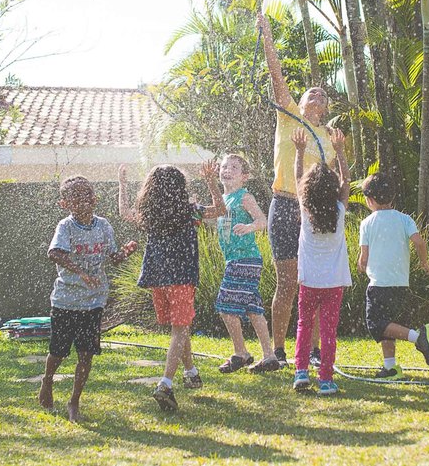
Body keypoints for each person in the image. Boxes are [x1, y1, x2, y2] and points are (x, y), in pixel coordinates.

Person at [256, 10, 332, 368]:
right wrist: (267, 36)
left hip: (314, 211)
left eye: (322, 96)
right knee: (286, 282)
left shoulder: (330, 137)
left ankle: (313, 351)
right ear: (300, 102)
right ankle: (278, 351)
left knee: (311, 282)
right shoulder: (288, 115)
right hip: (285, 205)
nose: (316, 96)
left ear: (326, 109)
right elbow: (276, 75)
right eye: (311, 93)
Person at [118, 163, 224, 411]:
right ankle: (165, 384)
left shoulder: (148, 214)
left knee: (180, 327)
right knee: (180, 328)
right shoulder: (190, 212)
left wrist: (122, 185)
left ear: (150, 189)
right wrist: (211, 181)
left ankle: (191, 372)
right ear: (180, 187)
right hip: (181, 277)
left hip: (158, 278)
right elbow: (221, 209)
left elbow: (124, 213)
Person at [40, 175, 137, 422]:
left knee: (86, 353)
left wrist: (124, 253)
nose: (83, 200)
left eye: (87, 195)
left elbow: (113, 258)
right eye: (76, 197)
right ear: (65, 204)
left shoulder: (103, 226)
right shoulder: (66, 226)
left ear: (95, 199)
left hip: (94, 300)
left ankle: (74, 401)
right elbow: (54, 253)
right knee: (59, 352)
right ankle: (47, 381)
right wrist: (81, 272)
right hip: (66, 300)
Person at [357, 173, 429, 379]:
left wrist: (361, 265)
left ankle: (418, 337)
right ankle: (390, 367)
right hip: (400, 283)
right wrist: (424, 263)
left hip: (379, 284)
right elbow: (419, 242)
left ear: (369, 200)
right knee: (387, 325)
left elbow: (363, 257)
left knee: (376, 323)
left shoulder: (367, 223)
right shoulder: (405, 219)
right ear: (392, 196)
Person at [290, 126, 350, 396]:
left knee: (304, 325)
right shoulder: (339, 210)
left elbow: (297, 178)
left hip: (309, 282)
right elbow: (347, 181)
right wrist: (340, 152)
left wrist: (300, 152)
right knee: (328, 331)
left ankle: (301, 373)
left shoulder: (306, 210)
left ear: (308, 190)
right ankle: (326, 380)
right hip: (333, 283)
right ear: (333, 190)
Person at [207, 153, 278, 374]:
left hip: (244, 259)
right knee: (253, 309)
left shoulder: (244, 197)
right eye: (224, 166)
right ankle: (269, 357)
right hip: (238, 259)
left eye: (234, 168)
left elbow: (262, 220)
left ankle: (241, 353)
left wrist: (249, 227)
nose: (227, 170)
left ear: (244, 176)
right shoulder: (223, 200)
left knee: (225, 306)